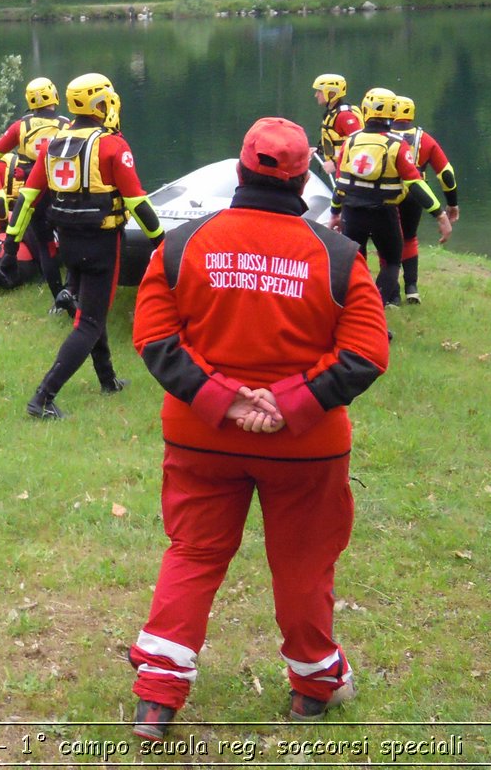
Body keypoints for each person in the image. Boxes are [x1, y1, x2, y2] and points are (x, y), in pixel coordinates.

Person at [126, 116, 390, 739]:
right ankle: (314, 685)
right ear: (305, 180)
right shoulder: (340, 255)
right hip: (305, 448)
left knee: (193, 553)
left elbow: (156, 341)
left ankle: (157, 696)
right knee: (303, 561)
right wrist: (289, 403)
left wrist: (225, 400)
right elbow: (365, 354)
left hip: (200, 437)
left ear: (239, 170)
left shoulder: (180, 245)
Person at [0, 73, 164, 418]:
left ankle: (107, 380)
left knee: (91, 307)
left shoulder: (52, 145)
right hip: (101, 243)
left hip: (68, 242)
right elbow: (138, 203)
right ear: (100, 105)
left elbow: (27, 199)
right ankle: (42, 398)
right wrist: (162, 243)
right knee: (89, 321)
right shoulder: (112, 145)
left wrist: (10, 248)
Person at [329, 88, 450, 306]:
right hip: (383, 214)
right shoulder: (396, 144)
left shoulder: (350, 142)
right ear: (392, 113)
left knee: (356, 262)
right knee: (392, 262)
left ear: (365, 110)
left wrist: (335, 212)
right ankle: (375, 306)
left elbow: (341, 183)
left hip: (351, 212)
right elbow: (414, 183)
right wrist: (440, 215)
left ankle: (356, 306)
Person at [0, 77, 70, 309]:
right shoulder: (66, 125)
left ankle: (58, 299)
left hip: (34, 194)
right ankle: (72, 291)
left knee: (45, 245)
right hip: (62, 192)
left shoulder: (20, 126)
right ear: (54, 96)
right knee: (69, 241)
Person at [390, 95, 459, 303]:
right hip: (416, 195)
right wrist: (452, 203)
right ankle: (411, 288)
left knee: (389, 241)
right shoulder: (425, 139)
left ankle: (392, 294)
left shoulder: (383, 137)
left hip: (389, 193)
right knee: (409, 237)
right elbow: (446, 173)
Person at [311, 73, 361, 176]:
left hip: (350, 174)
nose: (316, 95)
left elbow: (361, 146)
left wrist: (336, 164)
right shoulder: (333, 114)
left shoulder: (344, 116)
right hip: (343, 172)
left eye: (319, 91)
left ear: (331, 93)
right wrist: (319, 151)